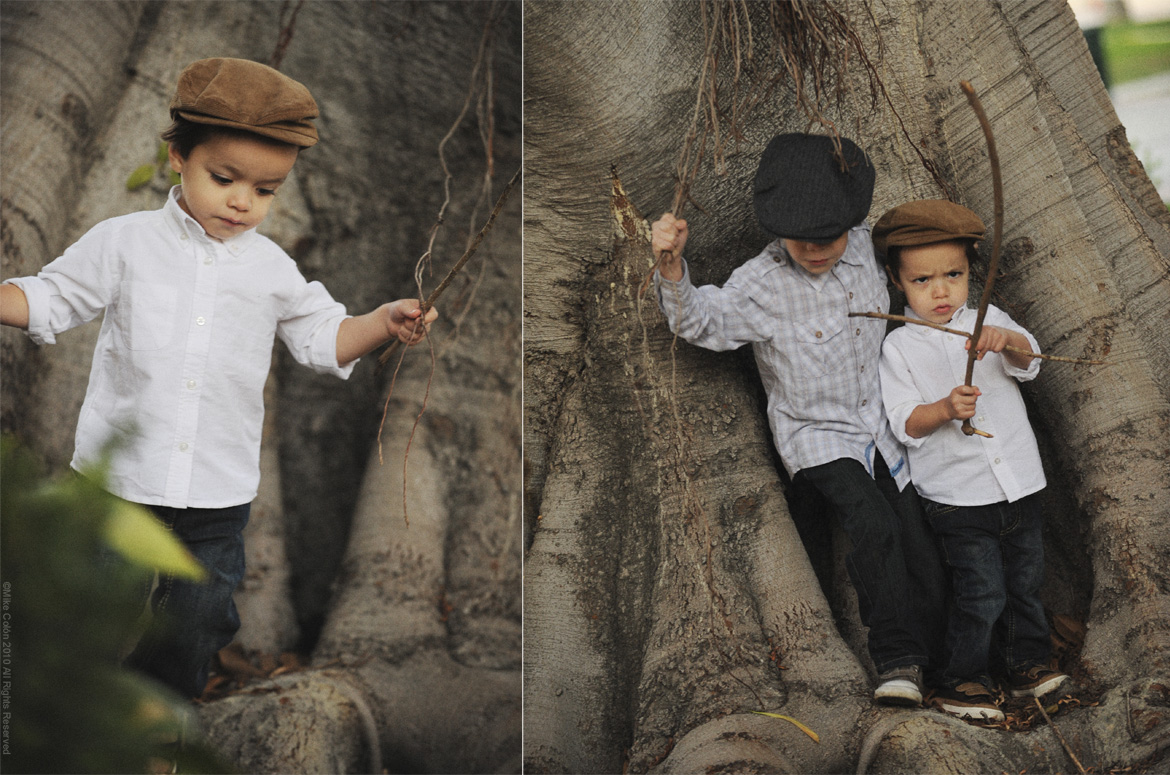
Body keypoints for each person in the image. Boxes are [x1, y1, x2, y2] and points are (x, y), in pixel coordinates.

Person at [0, 58, 438, 699]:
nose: (242, 201)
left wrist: (379, 321)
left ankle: (158, 728)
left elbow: (322, 337)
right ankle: (67, 730)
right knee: (88, 615)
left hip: (216, 497)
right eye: (225, 178)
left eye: (265, 190)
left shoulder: (270, 268)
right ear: (178, 156)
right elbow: (50, 297)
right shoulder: (124, 242)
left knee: (197, 625)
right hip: (118, 486)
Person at [651, 133, 947, 707]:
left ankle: (947, 662)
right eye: (802, 240)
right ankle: (897, 662)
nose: (817, 250)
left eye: (829, 238)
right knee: (873, 527)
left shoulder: (867, 248)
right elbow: (702, 323)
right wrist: (670, 266)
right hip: (817, 438)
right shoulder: (761, 284)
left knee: (921, 546)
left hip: (884, 431)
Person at [873, 199, 1069, 721]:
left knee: (1024, 582)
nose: (940, 291)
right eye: (922, 281)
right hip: (958, 499)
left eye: (953, 275)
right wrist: (942, 409)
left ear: (969, 274)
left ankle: (1025, 663)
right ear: (896, 280)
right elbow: (903, 421)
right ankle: (963, 678)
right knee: (979, 592)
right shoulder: (900, 348)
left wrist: (1007, 341)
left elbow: (1030, 362)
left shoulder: (988, 321)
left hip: (1019, 486)